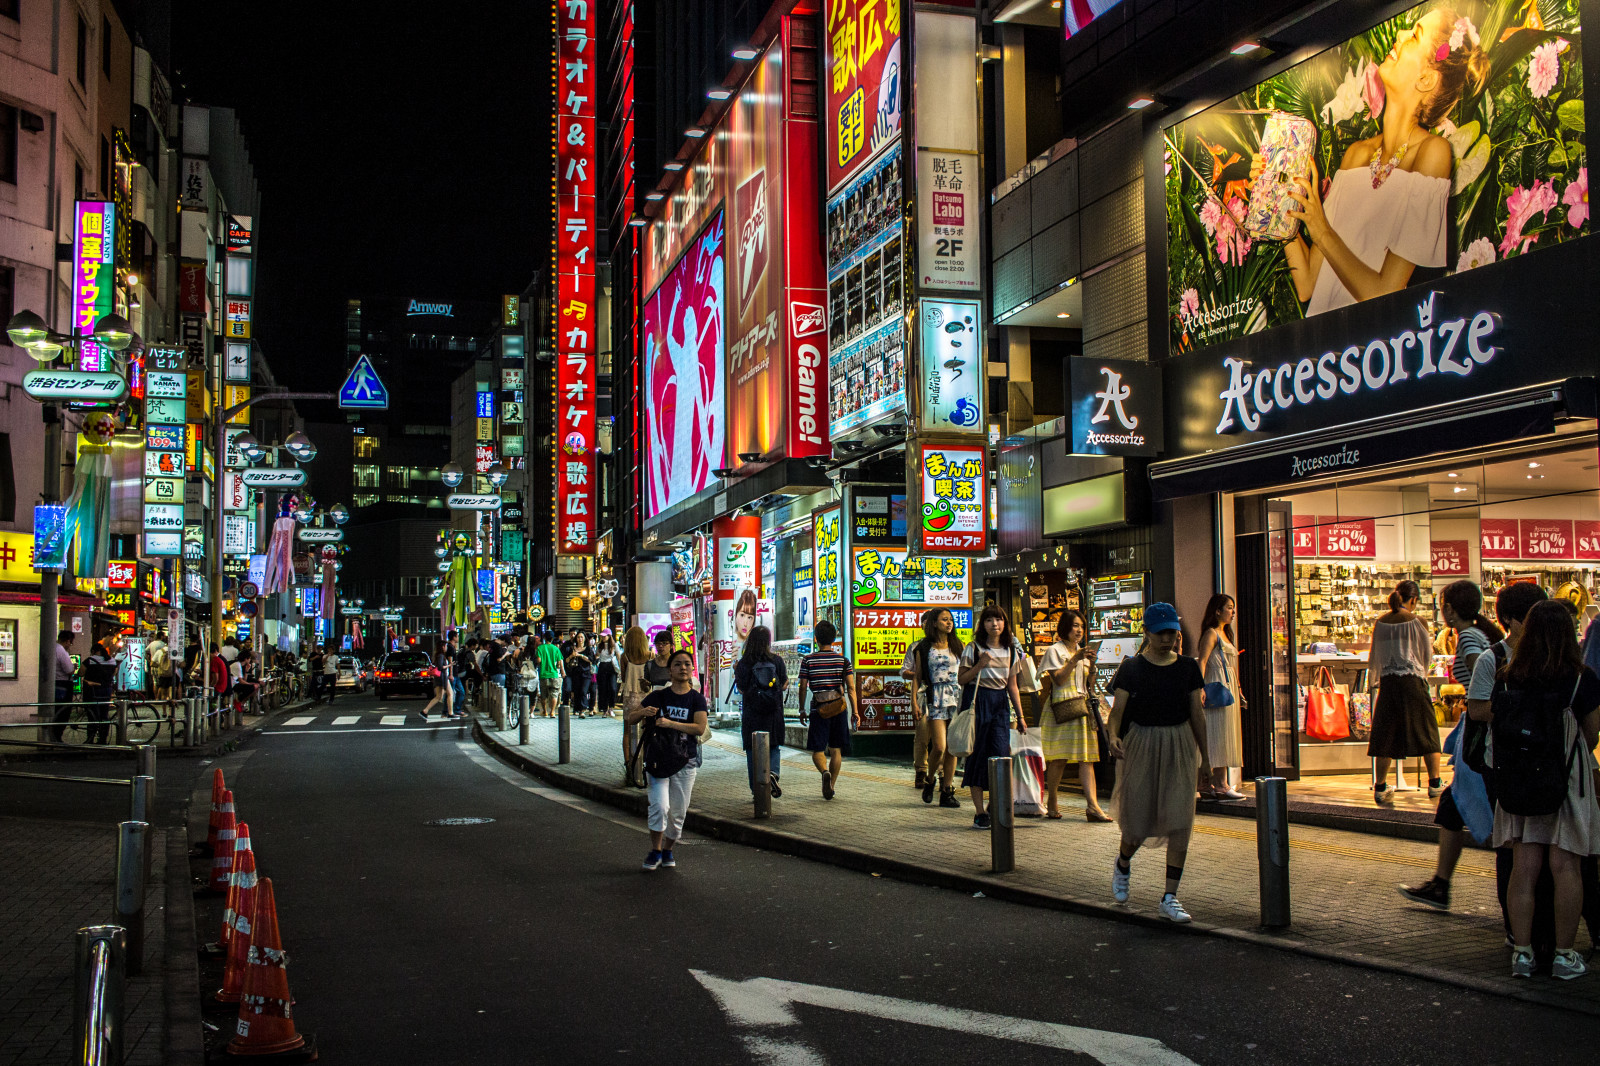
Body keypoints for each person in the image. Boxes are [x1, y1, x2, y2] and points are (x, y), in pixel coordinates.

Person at [1271, 7, 1487, 316]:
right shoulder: (1356, 154)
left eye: (1414, 36)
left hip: (1378, 356)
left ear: (1426, 79)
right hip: (1322, 358)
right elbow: (1306, 283)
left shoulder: (1432, 152)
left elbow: (1386, 292)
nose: (1399, 36)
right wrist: (1280, 193)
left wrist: (1321, 230)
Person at [1469, 598, 1600, 981]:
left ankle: (1522, 954)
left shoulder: (1509, 676)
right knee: (1566, 866)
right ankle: (1563, 955)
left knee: (1524, 867)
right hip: (1566, 784)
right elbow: (1590, 737)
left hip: (1520, 781)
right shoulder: (1583, 679)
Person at [1400, 579, 1504, 909]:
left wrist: (1478, 697)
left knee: (1471, 805)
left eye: (1442, 603)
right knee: (1451, 805)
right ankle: (1441, 884)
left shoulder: (1470, 636)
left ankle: (1444, 885)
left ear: (1449, 609)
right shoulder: (1476, 631)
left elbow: (1482, 670)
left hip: (1481, 733)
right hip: (1480, 731)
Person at [1107, 602, 1209, 923]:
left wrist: (1205, 757)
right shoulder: (1132, 668)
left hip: (1180, 743)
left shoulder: (1188, 668)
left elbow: (1196, 714)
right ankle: (1123, 864)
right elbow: (1117, 713)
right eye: (1161, 632)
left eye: (1173, 632)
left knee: (1180, 821)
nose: (1169, 638)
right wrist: (1112, 737)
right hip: (1142, 743)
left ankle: (1169, 896)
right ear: (1147, 633)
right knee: (1138, 821)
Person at [627, 649, 707, 871]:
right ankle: (655, 849)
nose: (683, 668)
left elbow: (699, 728)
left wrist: (670, 723)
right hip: (658, 760)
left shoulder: (696, 698)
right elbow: (631, 717)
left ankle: (668, 848)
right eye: (678, 664)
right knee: (660, 807)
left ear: (692, 669)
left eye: (687, 664)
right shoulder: (658, 695)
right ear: (669, 670)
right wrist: (643, 713)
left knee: (678, 813)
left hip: (686, 760)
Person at [956, 605, 1028, 830]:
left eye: (998, 620)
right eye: (989, 620)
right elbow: (961, 679)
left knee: (1001, 755)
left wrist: (1021, 715)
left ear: (1005, 624)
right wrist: (980, 665)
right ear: (982, 625)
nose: (994, 624)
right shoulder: (973, 648)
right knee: (977, 756)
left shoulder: (1011, 651)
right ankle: (979, 812)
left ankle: (992, 806)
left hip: (1000, 705)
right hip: (977, 703)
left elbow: (1012, 685)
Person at [1368, 579, 1440, 805]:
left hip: (1388, 683)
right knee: (1427, 730)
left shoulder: (1380, 622)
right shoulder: (1417, 621)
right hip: (1413, 681)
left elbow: (1374, 657)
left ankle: (1380, 786)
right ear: (1414, 599)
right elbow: (1426, 656)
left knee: (1385, 733)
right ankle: (1435, 784)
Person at [1037, 609, 1109, 822]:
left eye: (1081, 627)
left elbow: (1088, 684)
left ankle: (1093, 806)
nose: (1079, 630)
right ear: (1065, 628)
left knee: (1087, 759)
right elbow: (1058, 680)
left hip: (1082, 708)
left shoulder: (1082, 652)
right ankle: (1052, 800)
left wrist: (1092, 665)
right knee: (1058, 759)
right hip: (1062, 708)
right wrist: (1075, 658)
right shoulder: (1055, 650)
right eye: (1075, 626)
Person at [907, 608, 964, 809]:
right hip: (935, 698)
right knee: (939, 746)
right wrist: (914, 702)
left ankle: (947, 790)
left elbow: (964, 672)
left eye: (950, 620)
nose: (949, 623)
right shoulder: (923, 648)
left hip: (957, 698)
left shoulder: (958, 645)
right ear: (934, 623)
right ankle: (930, 779)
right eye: (944, 619)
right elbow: (917, 676)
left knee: (952, 748)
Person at [797, 620, 859, 800]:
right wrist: (855, 712)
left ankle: (824, 772)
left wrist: (801, 709)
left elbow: (802, 687)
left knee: (817, 750)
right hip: (839, 708)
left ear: (816, 639)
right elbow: (851, 688)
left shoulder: (808, 660)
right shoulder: (843, 661)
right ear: (833, 639)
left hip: (819, 709)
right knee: (836, 750)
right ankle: (831, 785)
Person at [1195, 594, 1246, 801]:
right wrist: (1200, 687)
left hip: (1229, 687)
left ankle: (1212, 784)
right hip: (1217, 686)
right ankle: (1220, 784)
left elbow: (1232, 667)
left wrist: (1239, 688)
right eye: (1229, 608)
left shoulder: (1226, 634)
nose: (1232, 612)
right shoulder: (1211, 633)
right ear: (1217, 610)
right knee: (1217, 733)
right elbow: (1203, 660)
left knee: (1222, 733)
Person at [733, 625, 787, 800]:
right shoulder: (777, 661)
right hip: (773, 712)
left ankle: (756, 789)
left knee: (751, 750)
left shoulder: (744, 663)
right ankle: (772, 773)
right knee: (773, 746)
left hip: (752, 713)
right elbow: (784, 684)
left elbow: (741, 689)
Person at [620, 627, 653, 784]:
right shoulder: (650, 655)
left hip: (630, 697)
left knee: (627, 732)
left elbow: (623, 677)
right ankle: (645, 761)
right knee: (646, 731)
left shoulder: (625, 656)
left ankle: (629, 764)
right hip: (647, 696)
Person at [81, 637, 123, 745]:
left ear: (93, 651)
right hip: (106, 690)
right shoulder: (111, 660)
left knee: (92, 715)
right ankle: (103, 739)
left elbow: (81, 673)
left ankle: (90, 738)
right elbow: (114, 673)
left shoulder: (89, 660)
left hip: (92, 690)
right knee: (104, 715)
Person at [50, 630, 75, 743]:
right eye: (71, 643)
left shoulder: (52, 647)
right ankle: (57, 736)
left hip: (54, 682)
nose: (70, 645)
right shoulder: (61, 651)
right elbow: (69, 670)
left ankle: (54, 736)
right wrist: (73, 667)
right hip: (63, 683)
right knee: (63, 711)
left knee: (56, 710)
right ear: (67, 641)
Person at [535, 632, 565, 717]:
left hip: (543, 674)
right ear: (552, 639)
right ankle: (552, 712)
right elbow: (559, 663)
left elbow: (539, 660)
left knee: (544, 695)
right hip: (554, 674)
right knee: (554, 693)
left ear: (544, 638)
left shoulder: (540, 648)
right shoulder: (556, 649)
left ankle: (545, 711)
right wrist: (562, 671)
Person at [566, 632, 595, 716]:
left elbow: (591, 660)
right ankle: (577, 709)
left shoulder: (588, 649)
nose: (580, 639)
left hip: (586, 673)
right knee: (577, 692)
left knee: (583, 691)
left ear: (585, 639)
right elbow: (566, 660)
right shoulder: (572, 648)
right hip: (575, 673)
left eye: (582, 637)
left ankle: (583, 709)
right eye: (578, 637)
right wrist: (572, 655)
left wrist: (580, 656)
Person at [594, 632, 619, 717]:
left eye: (605, 636)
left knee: (613, 688)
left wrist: (621, 670)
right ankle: (604, 709)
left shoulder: (614, 645)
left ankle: (611, 707)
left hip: (611, 666)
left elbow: (618, 656)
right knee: (603, 689)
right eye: (602, 636)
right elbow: (597, 655)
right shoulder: (599, 645)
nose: (603, 637)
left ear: (609, 636)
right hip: (602, 666)